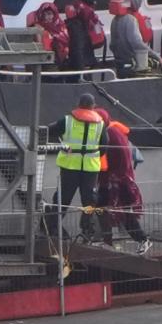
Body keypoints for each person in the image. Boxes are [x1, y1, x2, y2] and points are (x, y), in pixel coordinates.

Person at [42, 93, 108, 240]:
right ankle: (87, 231)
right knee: (89, 201)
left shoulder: (67, 121)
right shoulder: (100, 124)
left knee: (62, 199)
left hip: (69, 166)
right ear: (93, 106)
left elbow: (47, 131)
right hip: (90, 169)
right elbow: (104, 145)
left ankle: (52, 230)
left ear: (79, 104)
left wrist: (60, 144)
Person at [94, 109, 151, 254]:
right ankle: (106, 240)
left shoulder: (112, 136)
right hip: (109, 180)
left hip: (118, 182)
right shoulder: (110, 132)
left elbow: (121, 162)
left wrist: (114, 179)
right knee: (100, 206)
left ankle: (143, 239)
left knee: (124, 213)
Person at [111, 0, 160, 79]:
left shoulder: (115, 20)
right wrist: (157, 57)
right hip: (132, 67)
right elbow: (137, 43)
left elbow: (112, 45)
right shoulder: (130, 19)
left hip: (120, 65)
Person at [29, 2, 70, 69]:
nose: (46, 17)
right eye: (44, 14)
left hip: (62, 62)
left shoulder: (62, 26)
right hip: (44, 62)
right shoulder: (37, 27)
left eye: (49, 14)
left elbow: (67, 43)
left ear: (55, 14)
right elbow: (39, 47)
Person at [65, 0, 100, 72]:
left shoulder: (75, 26)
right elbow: (79, 48)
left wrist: (80, 67)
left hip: (83, 63)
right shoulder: (80, 25)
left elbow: (78, 48)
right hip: (85, 63)